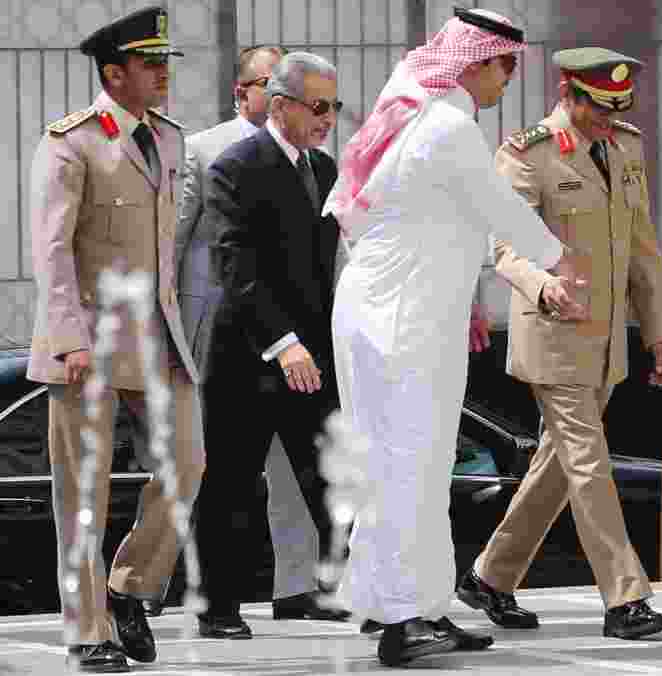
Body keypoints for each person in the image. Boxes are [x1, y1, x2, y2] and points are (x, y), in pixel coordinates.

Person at [329, 7, 584, 667]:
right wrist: (559, 259)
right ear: (476, 63)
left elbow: (365, 220)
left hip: (389, 310)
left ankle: (413, 604)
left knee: (413, 463)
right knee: (406, 465)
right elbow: (498, 208)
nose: (508, 81)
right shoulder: (444, 126)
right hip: (402, 319)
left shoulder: (405, 113)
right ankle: (401, 621)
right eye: (506, 66)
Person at [455, 48, 662, 640]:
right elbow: (506, 247)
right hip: (553, 336)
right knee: (588, 460)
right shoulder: (527, 154)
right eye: (599, 108)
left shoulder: (626, 147)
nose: (609, 120)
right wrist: (543, 284)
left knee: (557, 464)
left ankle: (489, 576)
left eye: (616, 109)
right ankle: (625, 598)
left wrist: (658, 330)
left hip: (605, 339)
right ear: (569, 95)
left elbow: (643, 249)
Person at [27, 6, 205, 672]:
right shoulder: (70, 141)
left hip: (158, 338)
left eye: (165, 64)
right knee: (83, 494)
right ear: (113, 73)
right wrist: (69, 339)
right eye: (150, 65)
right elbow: (52, 250)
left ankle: (128, 587)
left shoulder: (169, 137)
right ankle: (88, 631)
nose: (163, 76)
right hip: (88, 342)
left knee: (187, 463)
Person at [173, 44, 347, 624]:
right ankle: (218, 605)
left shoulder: (323, 169)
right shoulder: (235, 166)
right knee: (231, 485)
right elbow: (234, 266)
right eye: (317, 106)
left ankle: (340, 591)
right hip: (247, 353)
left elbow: (328, 267)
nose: (327, 119)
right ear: (279, 105)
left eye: (335, 107)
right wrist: (282, 342)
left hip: (312, 354)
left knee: (329, 477)